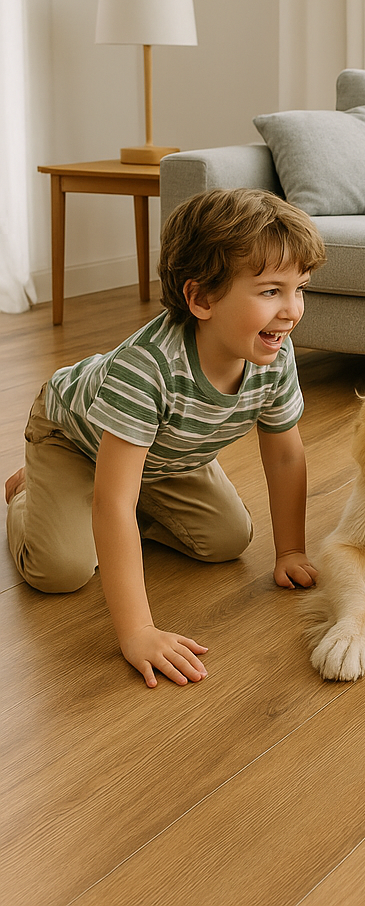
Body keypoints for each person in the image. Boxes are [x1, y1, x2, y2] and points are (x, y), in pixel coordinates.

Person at [5, 188, 327, 688]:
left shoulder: (275, 357)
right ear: (200, 299)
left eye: (299, 288)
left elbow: (285, 457)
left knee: (226, 541)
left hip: (162, 454)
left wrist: (290, 551)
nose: (292, 310)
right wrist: (137, 631)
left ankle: (105, 491)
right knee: (61, 570)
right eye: (270, 291)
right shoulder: (147, 369)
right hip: (72, 437)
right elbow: (114, 504)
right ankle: (34, 489)